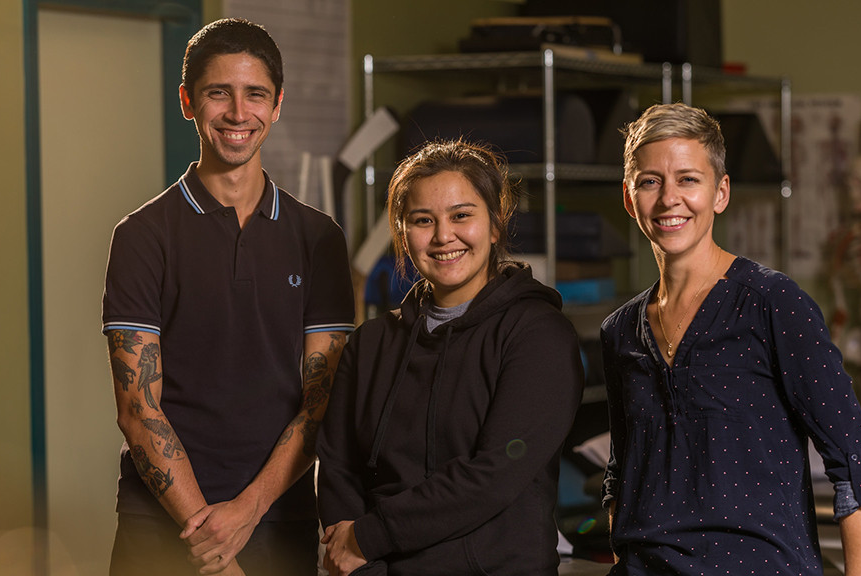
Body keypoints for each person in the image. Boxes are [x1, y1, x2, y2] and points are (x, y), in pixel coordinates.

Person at [101, 18, 354, 576]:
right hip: (161, 527)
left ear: (278, 104)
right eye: (219, 93)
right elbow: (137, 408)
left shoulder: (319, 239)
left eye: (256, 94)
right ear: (189, 101)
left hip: (277, 520)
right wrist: (209, 537)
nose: (239, 113)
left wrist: (246, 513)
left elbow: (321, 402)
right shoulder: (143, 236)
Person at [600, 103, 861, 575]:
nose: (670, 198)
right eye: (651, 181)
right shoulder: (619, 333)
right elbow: (621, 474)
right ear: (630, 199)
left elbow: (857, 469)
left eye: (689, 179)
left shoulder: (773, 303)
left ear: (721, 192)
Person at [316, 139, 585, 576]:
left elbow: (493, 475)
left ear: (496, 225)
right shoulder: (371, 343)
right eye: (423, 220)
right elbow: (338, 467)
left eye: (462, 215)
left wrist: (370, 537)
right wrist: (362, 564)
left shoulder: (537, 336)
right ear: (403, 233)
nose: (443, 236)